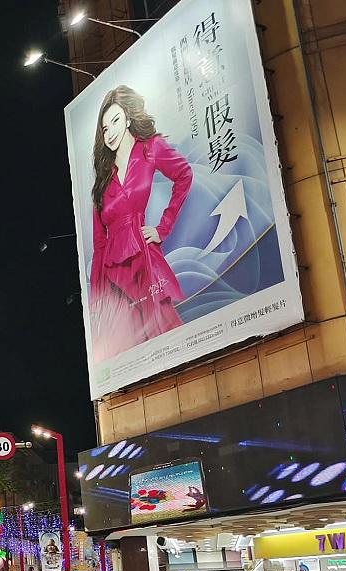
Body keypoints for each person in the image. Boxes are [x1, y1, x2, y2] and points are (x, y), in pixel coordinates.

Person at [88, 84, 193, 362]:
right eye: (104, 127)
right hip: (112, 275)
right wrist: (96, 299)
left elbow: (184, 175)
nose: (109, 132)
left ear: (128, 119)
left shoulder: (150, 149)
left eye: (115, 121)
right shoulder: (102, 179)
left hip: (143, 259)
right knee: (124, 356)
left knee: (166, 339)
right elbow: (99, 244)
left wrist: (162, 228)